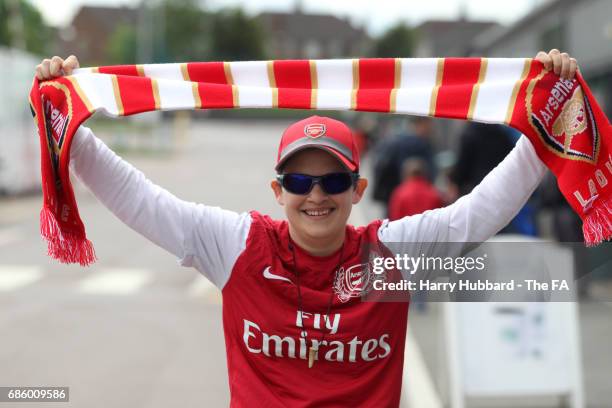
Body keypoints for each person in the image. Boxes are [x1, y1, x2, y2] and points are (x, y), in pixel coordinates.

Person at [35, 49, 578, 407]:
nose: (315, 195)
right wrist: (66, 121)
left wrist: (549, 111)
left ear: (357, 191)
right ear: (278, 191)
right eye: (298, 180)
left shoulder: (391, 254)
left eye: (333, 180)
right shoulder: (238, 244)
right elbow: (135, 196)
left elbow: (485, 208)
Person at [371, 116, 436, 210]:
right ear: (421, 124)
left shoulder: (396, 141)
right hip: (416, 197)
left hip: (393, 195)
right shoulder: (422, 144)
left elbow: (382, 166)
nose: (431, 129)